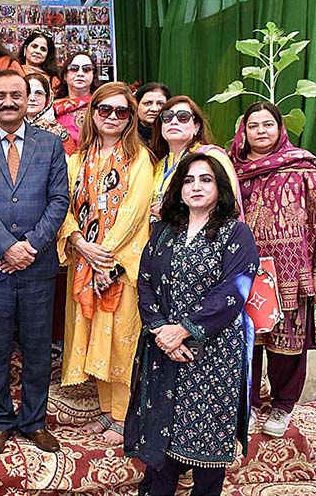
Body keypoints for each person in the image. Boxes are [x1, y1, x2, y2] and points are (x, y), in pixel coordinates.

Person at [125, 153, 259, 496]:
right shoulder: (165, 232)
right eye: (188, 180)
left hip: (214, 355)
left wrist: (183, 330)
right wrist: (160, 330)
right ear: (178, 189)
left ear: (220, 187)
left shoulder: (236, 233)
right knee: (163, 437)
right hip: (164, 349)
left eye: (205, 179)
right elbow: (145, 282)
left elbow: (233, 291)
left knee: (207, 446)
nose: (196, 186)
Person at [0, 70, 69, 456]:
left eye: (16, 95)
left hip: (39, 267)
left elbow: (60, 200)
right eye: (0, 95)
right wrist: (7, 247)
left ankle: (34, 422)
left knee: (39, 349)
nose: (8, 102)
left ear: (29, 100)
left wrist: (31, 246)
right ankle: (1, 421)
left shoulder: (51, 144)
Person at [229, 102, 316, 437]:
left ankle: (282, 406)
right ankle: (245, 406)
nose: (261, 131)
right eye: (253, 126)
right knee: (246, 341)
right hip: (245, 270)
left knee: (288, 344)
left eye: (268, 125)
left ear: (280, 129)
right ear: (243, 132)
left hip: (292, 271)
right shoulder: (229, 169)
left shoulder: (304, 167)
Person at [57, 82, 153, 445]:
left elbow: (135, 211)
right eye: (105, 110)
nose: (112, 117)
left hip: (120, 266)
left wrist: (105, 255)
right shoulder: (76, 160)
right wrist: (81, 243)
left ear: (130, 118)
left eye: (121, 111)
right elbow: (62, 206)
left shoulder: (140, 158)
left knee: (121, 341)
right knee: (93, 333)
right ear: (92, 114)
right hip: (85, 262)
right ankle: (105, 411)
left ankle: (123, 417)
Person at [150, 95, 240, 220]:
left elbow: (227, 202)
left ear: (196, 127)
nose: (173, 121)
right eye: (167, 117)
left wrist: (170, 211)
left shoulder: (211, 156)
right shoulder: (157, 165)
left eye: (183, 117)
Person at [53, 52, 99, 152]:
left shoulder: (100, 105)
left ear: (93, 75)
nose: (80, 73)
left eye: (86, 69)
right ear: (65, 76)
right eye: (74, 69)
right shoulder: (52, 108)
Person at [25, 73, 74, 156]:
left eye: (39, 93)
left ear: (47, 99)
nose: (32, 98)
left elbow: (71, 163)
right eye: (27, 92)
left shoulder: (58, 132)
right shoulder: (10, 128)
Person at [19, 30, 60, 94]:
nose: (38, 51)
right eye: (34, 46)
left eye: (43, 49)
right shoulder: (14, 71)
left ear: (48, 55)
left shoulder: (54, 81)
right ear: (25, 49)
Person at [134, 82, 170, 146]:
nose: (154, 109)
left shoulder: (173, 135)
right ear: (136, 106)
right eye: (147, 103)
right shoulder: (127, 135)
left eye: (160, 104)